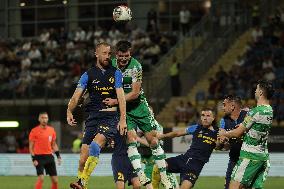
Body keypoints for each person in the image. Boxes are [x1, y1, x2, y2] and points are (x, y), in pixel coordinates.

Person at [104, 40, 172, 188]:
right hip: (125, 109)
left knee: (152, 140)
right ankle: (141, 174)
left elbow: (135, 93)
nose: (123, 59)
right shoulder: (111, 65)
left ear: (130, 54)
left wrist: (115, 101)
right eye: (121, 56)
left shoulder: (136, 66)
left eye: (126, 55)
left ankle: (165, 177)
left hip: (139, 106)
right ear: (117, 54)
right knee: (130, 137)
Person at [67, 42, 127, 189]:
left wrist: (123, 119)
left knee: (95, 145)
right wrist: (69, 111)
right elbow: (76, 97)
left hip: (109, 118)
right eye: (105, 53)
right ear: (97, 54)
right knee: (82, 159)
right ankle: (82, 184)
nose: (108, 56)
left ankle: (82, 182)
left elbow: (121, 98)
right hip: (92, 118)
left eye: (109, 54)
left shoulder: (116, 73)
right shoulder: (87, 75)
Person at [219, 80, 274, 189]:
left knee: (233, 187)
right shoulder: (269, 110)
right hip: (263, 156)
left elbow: (238, 132)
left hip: (249, 156)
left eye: (257, 89)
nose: (255, 91)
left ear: (261, 93)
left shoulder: (254, 112)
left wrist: (225, 133)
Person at [157, 108, 221, 189]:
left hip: (195, 164)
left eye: (208, 116)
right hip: (184, 158)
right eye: (203, 115)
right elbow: (177, 133)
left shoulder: (218, 132)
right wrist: (162, 136)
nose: (205, 118)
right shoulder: (196, 127)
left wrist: (219, 143)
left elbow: (221, 147)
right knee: (159, 166)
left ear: (213, 118)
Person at [220, 95, 248, 189]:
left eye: (224, 105)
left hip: (249, 160)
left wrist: (229, 134)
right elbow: (225, 146)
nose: (222, 107)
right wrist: (222, 143)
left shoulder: (248, 114)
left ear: (232, 106)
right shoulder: (223, 120)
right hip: (234, 160)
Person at [29, 112, 62, 189]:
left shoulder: (52, 130)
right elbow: (31, 147)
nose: (44, 119)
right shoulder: (34, 131)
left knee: (55, 180)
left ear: (48, 119)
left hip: (49, 157)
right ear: (39, 119)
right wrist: (33, 159)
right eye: (42, 118)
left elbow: (54, 144)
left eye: (46, 118)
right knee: (41, 178)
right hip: (38, 157)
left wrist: (58, 156)